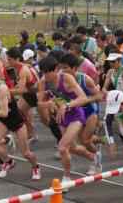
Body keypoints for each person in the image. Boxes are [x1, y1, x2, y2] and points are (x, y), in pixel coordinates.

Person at [0, 61, 41, 180]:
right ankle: (9, 162)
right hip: (3, 121)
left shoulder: (2, 88)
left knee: (25, 152)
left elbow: (4, 112)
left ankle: (35, 167)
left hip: (16, 120)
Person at [38, 56, 96, 191]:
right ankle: (92, 156)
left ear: (56, 70)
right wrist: (47, 103)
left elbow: (83, 98)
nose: (45, 75)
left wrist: (67, 105)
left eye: (48, 72)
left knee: (62, 148)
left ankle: (67, 178)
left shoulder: (67, 79)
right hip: (62, 117)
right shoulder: (42, 82)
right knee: (73, 148)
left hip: (76, 114)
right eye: (43, 72)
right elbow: (39, 103)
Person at [59, 53, 103, 175]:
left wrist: (82, 100)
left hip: (90, 111)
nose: (63, 70)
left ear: (74, 68)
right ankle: (101, 141)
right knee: (79, 144)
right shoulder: (61, 81)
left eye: (66, 68)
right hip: (76, 113)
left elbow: (98, 96)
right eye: (61, 67)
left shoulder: (85, 79)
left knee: (86, 140)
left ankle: (96, 162)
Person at [6, 48, 39, 146]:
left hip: (37, 94)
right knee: (20, 111)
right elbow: (20, 86)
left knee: (48, 121)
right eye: (7, 59)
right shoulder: (17, 68)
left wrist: (6, 91)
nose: (8, 62)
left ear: (17, 59)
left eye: (10, 60)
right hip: (29, 93)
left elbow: (20, 90)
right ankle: (31, 134)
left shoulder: (23, 70)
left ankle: (31, 132)